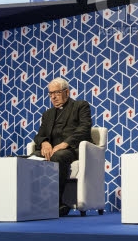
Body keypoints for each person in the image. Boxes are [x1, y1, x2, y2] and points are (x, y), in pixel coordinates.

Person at [32, 78, 92, 217]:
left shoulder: (80, 106)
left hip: (73, 149)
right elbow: (39, 135)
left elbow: (84, 128)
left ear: (66, 92)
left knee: (58, 156)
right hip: (52, 150)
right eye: (50, 93)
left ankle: (56, 204)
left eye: (57, 93)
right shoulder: (47, 114)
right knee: (32, 157)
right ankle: (31, 203)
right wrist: (44, 143)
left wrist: (65, 143)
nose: (53, 96)